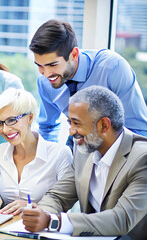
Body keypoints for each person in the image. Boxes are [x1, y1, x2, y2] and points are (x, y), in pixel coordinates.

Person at [21, 86, 146, 238]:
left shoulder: (142, 158)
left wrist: (53, 222)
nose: (71, 131)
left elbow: (121, 219)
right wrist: (41, 214)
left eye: (77, 123)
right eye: (70, 123)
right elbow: (57, 196)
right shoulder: (84, 149)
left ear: (104, 125)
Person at [30, 19, 147, 144]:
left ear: (74, 54)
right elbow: (47, 128)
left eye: (53, 65)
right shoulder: (44, 82)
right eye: (40, 65)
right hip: (77, 145)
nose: (46, 74)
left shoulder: (113, 68)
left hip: (115, 148)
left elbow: (138, 131)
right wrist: (52, 159)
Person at [0, 88, 72, 216]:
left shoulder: (60, 153)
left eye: (11, 120)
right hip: (5, 226)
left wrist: (34, 208)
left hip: (42, 229)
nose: (5, 129)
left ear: (30, 118)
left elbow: (65, 206)